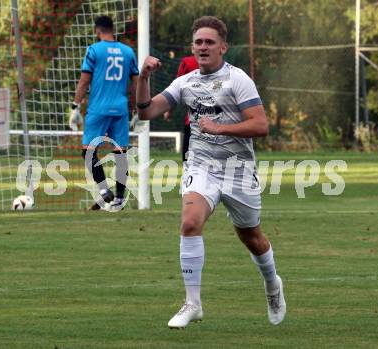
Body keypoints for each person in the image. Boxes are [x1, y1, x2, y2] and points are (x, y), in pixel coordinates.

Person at [136, 16, 286, 328]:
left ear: (223, 48)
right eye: (199, 42)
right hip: (201, 166)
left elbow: (261, 125)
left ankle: (272, 284)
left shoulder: (238, 79)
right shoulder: (185, 82)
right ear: (192, 47)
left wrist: (219, 128)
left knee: (252, 237)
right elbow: (147, 111)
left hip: (238, 170)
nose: (203, 47)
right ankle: (193, 303)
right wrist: (143, 77)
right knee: (189, 223)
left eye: (210, 42)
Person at [69, 16, 139, 211]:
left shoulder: (94, 50)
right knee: (120, 154)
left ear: (97, 31)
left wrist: (75, 106)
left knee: (89, 151)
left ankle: (103, 191)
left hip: (98, 109)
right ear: (112, 29)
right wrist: (136, 108)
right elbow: (136, 82)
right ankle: (118, 199)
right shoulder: (127, 52)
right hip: (120, 109)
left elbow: (84, 81)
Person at [163, 56, 199, 162]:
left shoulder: (188, 62)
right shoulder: (223, 65)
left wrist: (169, 110)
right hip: (214, 123)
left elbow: (178, 88)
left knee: (188, 162)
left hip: (194, 122)